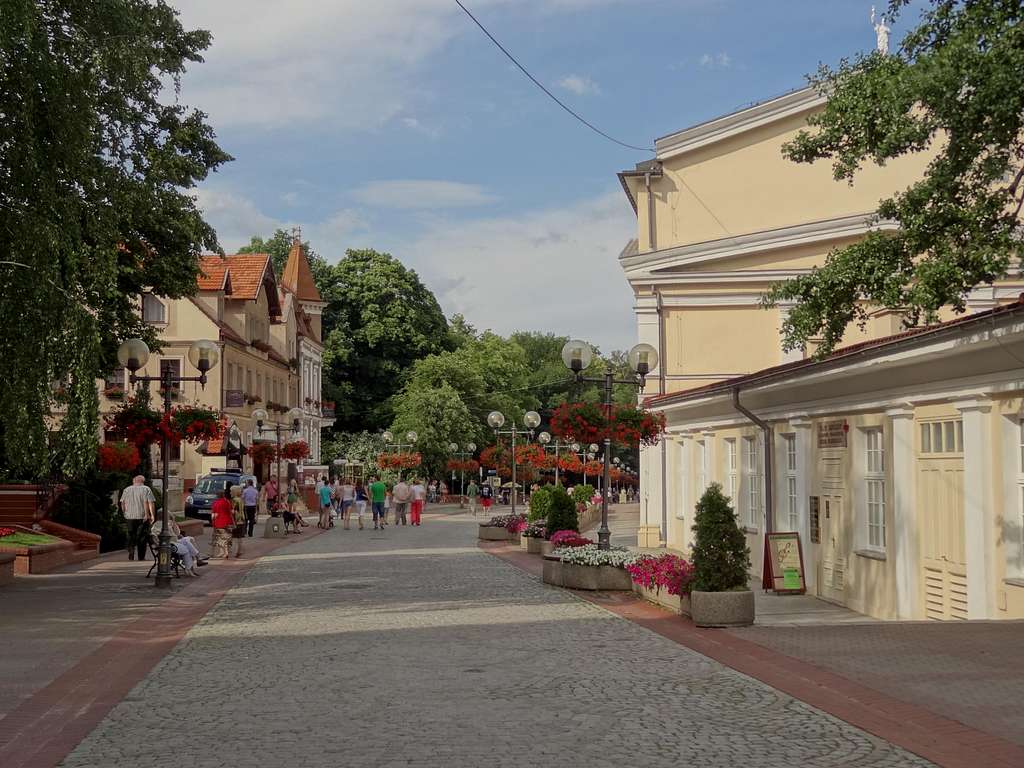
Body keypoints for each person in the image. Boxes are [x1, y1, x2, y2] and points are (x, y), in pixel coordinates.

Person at [119, 475, 155, 561]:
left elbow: (122, 503)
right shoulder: (146, 489)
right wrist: (152, 515)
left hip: (129, 517)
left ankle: (131, 551)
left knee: (131, 534)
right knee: (142, 537)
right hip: (142, 517)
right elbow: (150, 503)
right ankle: (141, 556)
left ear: (134, 481)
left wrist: (125, 512)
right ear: (143, 481)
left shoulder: (126, 490)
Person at [210, 487, 234, 559]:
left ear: (217, 495)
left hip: (219, 522)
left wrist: (213, 521)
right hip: (228, 521)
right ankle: (222, 552)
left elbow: (214, 514)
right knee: (225, 537)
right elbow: (231, 511)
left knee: (220, 538)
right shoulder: (227, 502)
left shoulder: (216, 503)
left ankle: (225, 552)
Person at [230, 485, 246, 558]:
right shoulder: (241, 499)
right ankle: (240, 551)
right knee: (240, 538)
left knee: (232, 537)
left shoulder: (234, 500)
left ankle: (233, 552)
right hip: (242, 520)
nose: (230, 493)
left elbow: (233, 511)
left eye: (231, 491)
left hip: (236, 520)